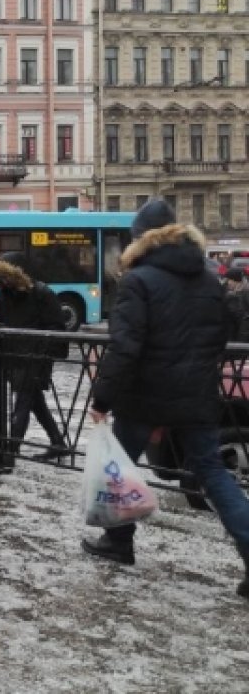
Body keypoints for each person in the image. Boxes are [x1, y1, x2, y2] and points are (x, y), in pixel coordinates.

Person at [86, 199, 249, 600]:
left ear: (139, 239)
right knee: (212, 473)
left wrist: (102, 398)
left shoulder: (138, 281)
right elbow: (221, 335)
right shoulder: (210, 278)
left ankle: (119, 542)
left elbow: (125, 348)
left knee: (120, 468)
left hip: (144, 396)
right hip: (197, 396)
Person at [0, 252, 70, 461]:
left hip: (35, 358)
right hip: (14, 357)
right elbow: (3, 320)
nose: (2, 283)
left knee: (23, 402)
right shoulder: (4, 294)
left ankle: (10, 451)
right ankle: (58, 442)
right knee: (34, 402)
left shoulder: (42, 293)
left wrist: (41, 352)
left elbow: (57, 327)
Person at [223, 268, 249, 343]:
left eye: (229, 280)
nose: (227, 283)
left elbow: (243, 320)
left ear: (235, 281)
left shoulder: (242, 295)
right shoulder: (232, 293)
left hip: (240, 340)